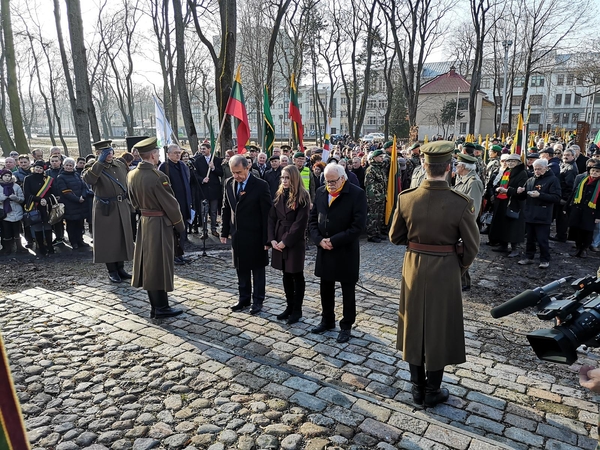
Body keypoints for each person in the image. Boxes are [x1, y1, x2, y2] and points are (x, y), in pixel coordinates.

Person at [388, 140, 480, 408]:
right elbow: (472, 248)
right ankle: (432, 390)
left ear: (424, 165)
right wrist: (457, 265)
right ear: (449, 167)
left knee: (414, 325)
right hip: (446, 269)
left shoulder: (407, 197)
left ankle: (417, 388)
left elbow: (395, 237)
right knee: (439, 328)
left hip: (414, 267)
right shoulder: (460, 202)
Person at [308, 163, 367, 343]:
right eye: (327, 181)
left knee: (347, 289)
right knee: (325, 287)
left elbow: (357, 227)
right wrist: (319, 240)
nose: (330, 185)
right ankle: (327, 319)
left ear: (343, 178)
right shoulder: (320, 192)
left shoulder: (356, 194)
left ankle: (346, 325)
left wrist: (334, 241)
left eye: (333, 182)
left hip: (345, 250)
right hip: (324, 248)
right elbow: (312, 221)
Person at [128, 137, 185, 319]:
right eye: (157, 152)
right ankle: (161, 307)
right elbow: (171, 205)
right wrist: (180, 226)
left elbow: (133, 203)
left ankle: (158, 305)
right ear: (153, 155)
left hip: (144, 222)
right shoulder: (157, 177)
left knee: (150, 265)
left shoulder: (132, 175)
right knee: (159, 265)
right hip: (159, 224)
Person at [221, 155, 272, 314]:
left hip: (256, 235)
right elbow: (225, 208)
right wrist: (225, 231)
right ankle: (243, 299)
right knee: (240, 267)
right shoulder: (229, 184)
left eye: (239, 172)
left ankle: (258, 301)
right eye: (233, 172)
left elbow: (267, 214)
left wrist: (267, 238)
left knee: (257, 270)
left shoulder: (260, 185)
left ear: (247, 167)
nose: (236, 176)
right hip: (238, 234)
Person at [83, 140, 134, 283]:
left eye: (110, 151)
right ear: (98, 154)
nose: (109, 155)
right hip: (105, 207)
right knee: (109, 240)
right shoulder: (92, 167)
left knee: (122, 238)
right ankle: (112, 270)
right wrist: (99, 162)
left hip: (122, 204)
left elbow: (128, 181)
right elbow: (89, 179)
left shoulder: (119, 164)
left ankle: (121, 268)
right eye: (105, 153)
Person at [268, 165, 310, 324]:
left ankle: (297, 309)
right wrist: (272, 239)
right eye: (282, 178)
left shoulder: (302, 196)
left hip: (293, 241)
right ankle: (289, 306)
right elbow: (271, 218)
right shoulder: (279, 194)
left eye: (287, 178)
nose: (284, 181)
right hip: (278, 238)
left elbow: (300, 224)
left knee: (296, 274)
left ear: (294, 179)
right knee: (285, 274)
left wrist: (285, 241)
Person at [516, 159, 561, 268]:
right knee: (530, 238)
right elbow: (524, 196)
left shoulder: (552, 180)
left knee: (542, 239)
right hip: (530, 213)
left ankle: (545, 259)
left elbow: (556, 197)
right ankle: (528, 257)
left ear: (546, 168)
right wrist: (520, 192)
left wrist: (540, 195)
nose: (537, 171)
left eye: (539, 169)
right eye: (535, 169)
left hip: (543, 215)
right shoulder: (531, 179)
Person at [452, 153, 484, 291]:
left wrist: (465, 227)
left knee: (463, 253)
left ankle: (464, 283)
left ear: (464, 167)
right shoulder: (462, 178)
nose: (456, 167)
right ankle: (462, 281)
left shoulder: (473, 182)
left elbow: (473, 209)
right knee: (459, 253)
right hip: (458, 221)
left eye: (457, 165)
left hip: (464, 224)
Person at [487, 154, 528, 256]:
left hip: (514, 203)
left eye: (513, 161)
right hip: (502, 201)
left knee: (513, 226)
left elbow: (521, 191)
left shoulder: (522, 173)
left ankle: (515, 248)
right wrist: (497, 188)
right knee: (502, 224)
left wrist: (507, 190)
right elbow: (501, 183)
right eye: (509, 161)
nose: (510, 163)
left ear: (518, 163)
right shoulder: (507, 171)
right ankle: (503, 245)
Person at [159, 144, 192, 263]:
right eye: (175, 153)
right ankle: (172, 255)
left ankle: (180, 253)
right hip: (172, 205)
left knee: (182, 230)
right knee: (174, 231)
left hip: (184, 203)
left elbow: (187, 183)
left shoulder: (182, 165)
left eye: (179, 152)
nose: (178, 155)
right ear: (169, 154)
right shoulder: (164, 167)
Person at [55, 158, 91, 250]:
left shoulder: (77, 175)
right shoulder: (61, 177)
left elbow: (84, 187)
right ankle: (73, 242)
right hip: (70, 204)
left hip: (81, 204)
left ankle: (80, 240)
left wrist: (83, 196)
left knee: (80, 224)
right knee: (71, 225)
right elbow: (65, 191)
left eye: (70, 165)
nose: (68, 167)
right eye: (67, 165)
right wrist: (76, 199)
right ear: (63, 166)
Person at [23, 161, 55, 256]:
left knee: (47, 226)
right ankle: (41, 247)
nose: (38, 169)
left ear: (43, 169)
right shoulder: (28, 179)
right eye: (37, 167)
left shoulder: (47, 179)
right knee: (37, 226)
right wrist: (39, 199)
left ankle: (50, 246)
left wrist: (46, 200)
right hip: (34, 205)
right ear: (34, 168)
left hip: (46, 206)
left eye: (40, 168)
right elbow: (27, 193)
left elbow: (51, 192)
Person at [568, 162, 600, 258]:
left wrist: (598, 216)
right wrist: (567, 207)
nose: (594, 173)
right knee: (577, 230)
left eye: (597, 171)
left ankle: (584, 249)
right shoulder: (583, 181)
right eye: (593, 170)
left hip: (591, 212)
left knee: (588, 231)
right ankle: (578, 248)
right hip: (578, 210)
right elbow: (574, 194)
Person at [194, 142, 223, 238]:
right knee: (204, 212)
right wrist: (202, 179)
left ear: (209, 149)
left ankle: (214, 229)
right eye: (201, 149)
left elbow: (221, 173)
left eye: (204, 149)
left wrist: (213, 168)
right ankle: (204, 231)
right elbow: (195, 174)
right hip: (203, 191)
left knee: (213, 212)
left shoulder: (217, 160)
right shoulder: (197, 161)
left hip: (214, 190)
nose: (202, 150)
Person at [551, 148, 578, 242]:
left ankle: (561, 236)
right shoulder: (565, 165)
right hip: (560, 194)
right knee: (559, 217)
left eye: (568, 155)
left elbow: (569, 185)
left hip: (564, 197)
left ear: (573, 156)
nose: (565, 156)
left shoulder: (570, 169)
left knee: (562, 217)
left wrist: (564, 198)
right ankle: (560, 234)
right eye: (564, 155)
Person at [0, 169, 26, 255]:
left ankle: (19, 247)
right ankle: (7, 248)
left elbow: (22, 199)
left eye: (9, 176)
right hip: (4, 212)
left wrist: (16, 198)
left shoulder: (16, 186)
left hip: (16, 211)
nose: (7, 178)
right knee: (6, 231)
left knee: (17, 231)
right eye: (5, 176)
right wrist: (2, 198)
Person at [364, 149, 388, 243]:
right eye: (380, 157)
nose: (382, 159)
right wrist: (373, 198)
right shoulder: (371, 170)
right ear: (374, 158)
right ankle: (371, 234)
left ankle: (378, 232)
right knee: (373, 216)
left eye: (382, 157)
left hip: (381, 196)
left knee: (379, 216)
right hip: (374, 198)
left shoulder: (380, 168)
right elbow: (369, 185)